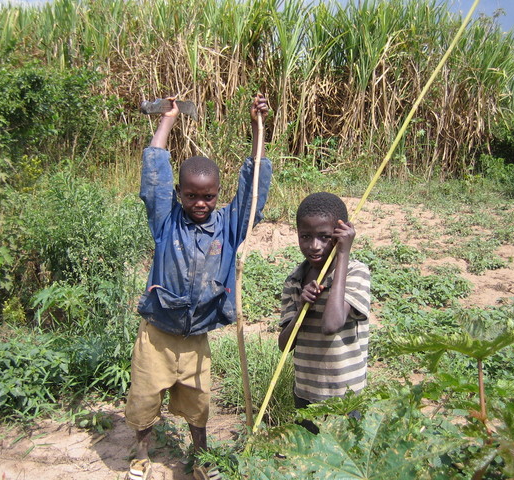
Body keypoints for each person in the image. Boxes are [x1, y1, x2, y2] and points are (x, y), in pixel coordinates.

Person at [124, 94, 272, 480]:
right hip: (157, 333)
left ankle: (202, 459)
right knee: (143, 399)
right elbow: (153, 174)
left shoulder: (229, 226)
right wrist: (168, 120)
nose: (200, 203)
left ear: (217, 195)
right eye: (191, 195)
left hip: (196, 339)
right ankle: (141, 454)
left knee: (198, 405)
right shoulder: (165, 220)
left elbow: (253, 189)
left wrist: (258, 129)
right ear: (179, 193)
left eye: (208, 196)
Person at [278, 192, 371, 434]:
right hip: (306, 393)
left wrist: (342, 255)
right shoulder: (294, 281)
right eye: (305, 237)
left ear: (340, 236)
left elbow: (332, 324)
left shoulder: (355, 273)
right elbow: (285, 345)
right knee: (310, 460)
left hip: (344, 395)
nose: (314, 246)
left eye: (324, 237)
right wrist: (301, 309)